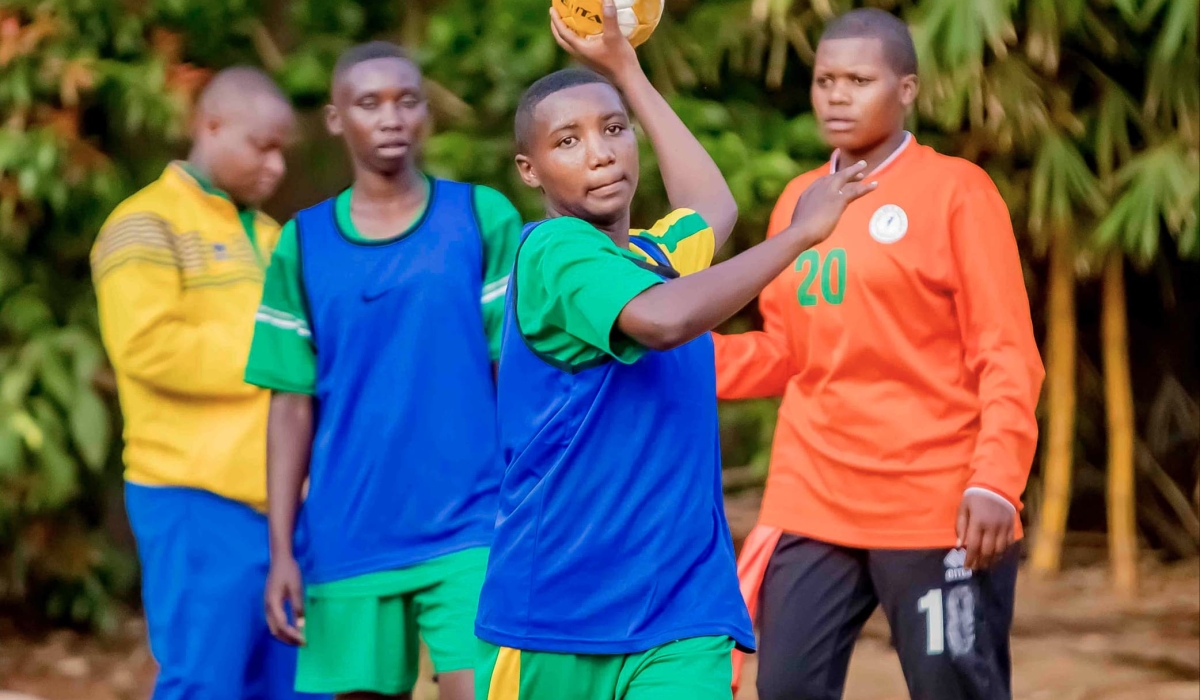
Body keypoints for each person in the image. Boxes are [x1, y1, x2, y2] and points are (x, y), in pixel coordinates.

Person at [472, 3, 875, 698]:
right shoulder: (555, 253)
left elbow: (712, 208)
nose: (600, 152)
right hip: (559, 611)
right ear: (529, 170)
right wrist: (800, 235)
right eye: (567, 141)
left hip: (681, 607)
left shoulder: (656, 259)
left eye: (614, 130)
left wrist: (629, 71)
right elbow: (662, 321)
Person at [713, 9, 1046, 700]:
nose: (836, 94)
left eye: (858, 80)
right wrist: (672, 355)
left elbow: (1006, 349)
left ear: (908, 89)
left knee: (953, 689)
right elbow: (785, 351)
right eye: (824, 79)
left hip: (935, 502)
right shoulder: (798, 201)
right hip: (814, 498)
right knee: (785, 688)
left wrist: (996, 481)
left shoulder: (957, 191)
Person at [244, 41, 521, 700]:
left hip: (471, 523)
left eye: (407, 100)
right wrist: (282, 549)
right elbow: (290, 405)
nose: (391, 117)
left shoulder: (480, 218)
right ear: (338, 119)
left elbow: (512, 375)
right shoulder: (302, 243)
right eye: (369, 103)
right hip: (349, 532)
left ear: (426, 112)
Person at [91, 68, 321, 699]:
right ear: (209, 126)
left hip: (287, 508)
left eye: (283, 152)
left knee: (302, 683)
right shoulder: (143, 224)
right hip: (193, 498)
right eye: (261, 146)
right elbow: (149, 348)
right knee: (206, 681)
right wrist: (282, 357)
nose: (274, 167)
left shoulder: (274, 239)